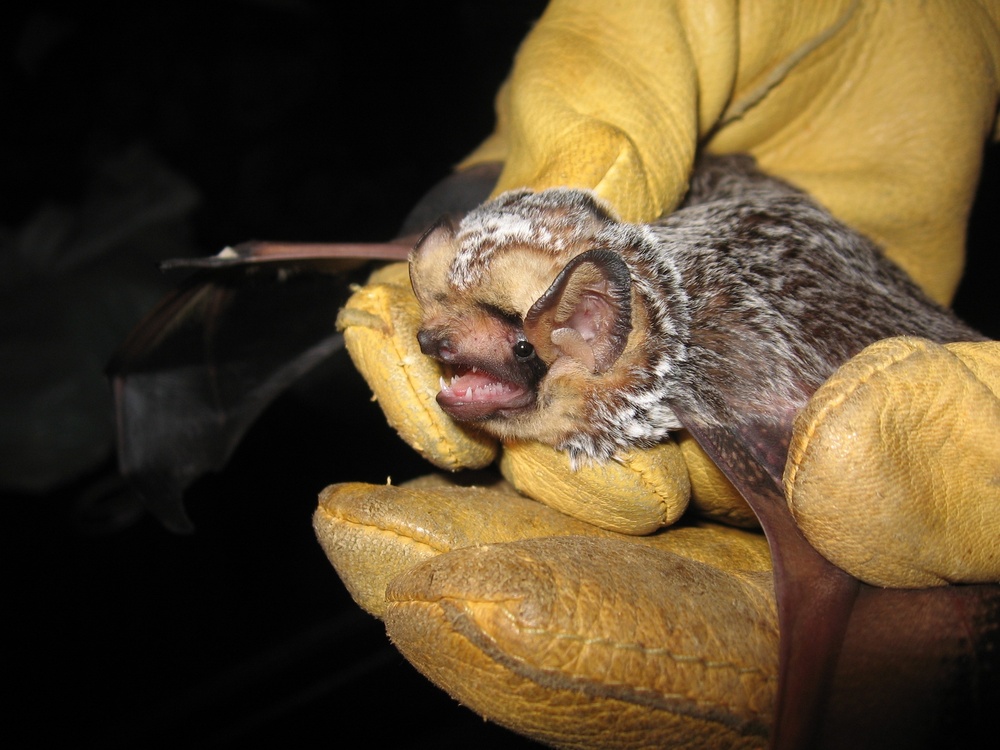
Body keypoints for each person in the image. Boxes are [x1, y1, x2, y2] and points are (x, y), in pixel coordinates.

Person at [318, 1, 1000, 746]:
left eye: (520, 351)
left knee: (858, 484)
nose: (439, 350)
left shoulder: (729, 370)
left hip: (824, 335)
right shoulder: (567, 319)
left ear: (593, 328)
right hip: (743, 205)